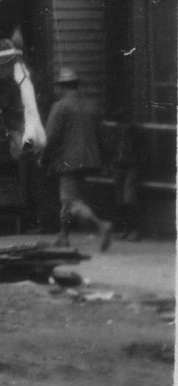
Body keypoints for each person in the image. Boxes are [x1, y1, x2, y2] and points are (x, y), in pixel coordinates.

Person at [41, 67, 113, 251]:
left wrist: (43, 157)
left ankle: (100, 226)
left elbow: (50, 137)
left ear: (62, 87)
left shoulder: (60, 107)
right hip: (90, 160)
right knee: (70, 197)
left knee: (69, 201)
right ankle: (63, 236)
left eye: (58, 86)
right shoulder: (91, 105)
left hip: (68, 160)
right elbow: (102, 136)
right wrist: (105, 161)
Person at [107, 106, 144, 241]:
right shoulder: (117, 132)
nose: (123, 123)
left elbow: (141, 152)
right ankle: (127, 229)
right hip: (118, 166)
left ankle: (134, 229)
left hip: (131, 166)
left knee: (129, 198)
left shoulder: (135, 131)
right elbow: (111, 148)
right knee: (120, 200)